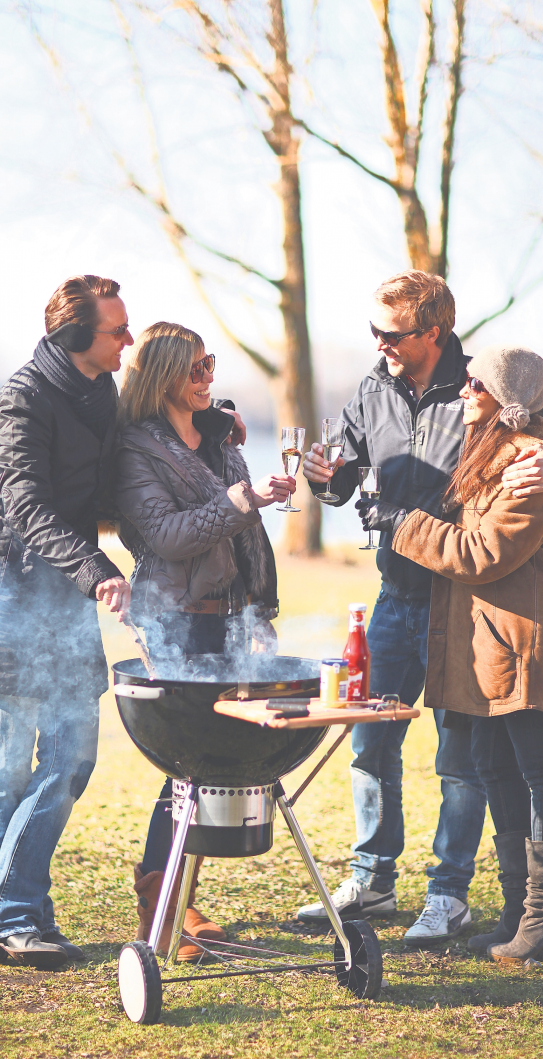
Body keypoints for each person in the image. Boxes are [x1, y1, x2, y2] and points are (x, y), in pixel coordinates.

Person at [299, 270, 543, 941]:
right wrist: (327, 481)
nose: (379, 345)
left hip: (459, 603)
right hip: (394, 595)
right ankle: (373, 881)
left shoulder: (483, 384)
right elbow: (346, 479)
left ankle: (449, 893)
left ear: (433, 330)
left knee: (462, 758)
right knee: (370, 742)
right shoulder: (374, 387)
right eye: (373, 331)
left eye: (391, 333)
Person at [358, 344, 543, 963]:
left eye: (476, 388)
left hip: (524, 643)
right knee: (494, 768)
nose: (464, 394)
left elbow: (481, 554)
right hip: (484, 644)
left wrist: (401, 524)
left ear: (505, 403)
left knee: (540, 770)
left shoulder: (527, 466)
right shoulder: (484, 449)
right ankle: (519, 913)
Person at [114, 321, 294, 961]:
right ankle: (166, 897)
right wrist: (244, 498)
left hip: (233, 613)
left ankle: (170, 889)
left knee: (213, 756)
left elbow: (237, 531)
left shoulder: (219, 434)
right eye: (195, 366)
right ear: (162, 372)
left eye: (210, 362)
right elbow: (166, 536)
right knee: (188, 758)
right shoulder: (136, 447)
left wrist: (258, 497)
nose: (207, 375)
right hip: (174, 616)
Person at [0, 275, 133, 969]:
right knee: (15, 767)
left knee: (69, 756)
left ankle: (16, 909)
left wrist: (210, 422)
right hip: (17, 596)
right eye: (117, 330)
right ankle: (18, 915)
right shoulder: (24, 395)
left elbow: (111, 482)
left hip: (70, 592)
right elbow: (24, 502)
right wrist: (98, 569)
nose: (128, 339)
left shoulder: (100, 390)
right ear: (73, 337)